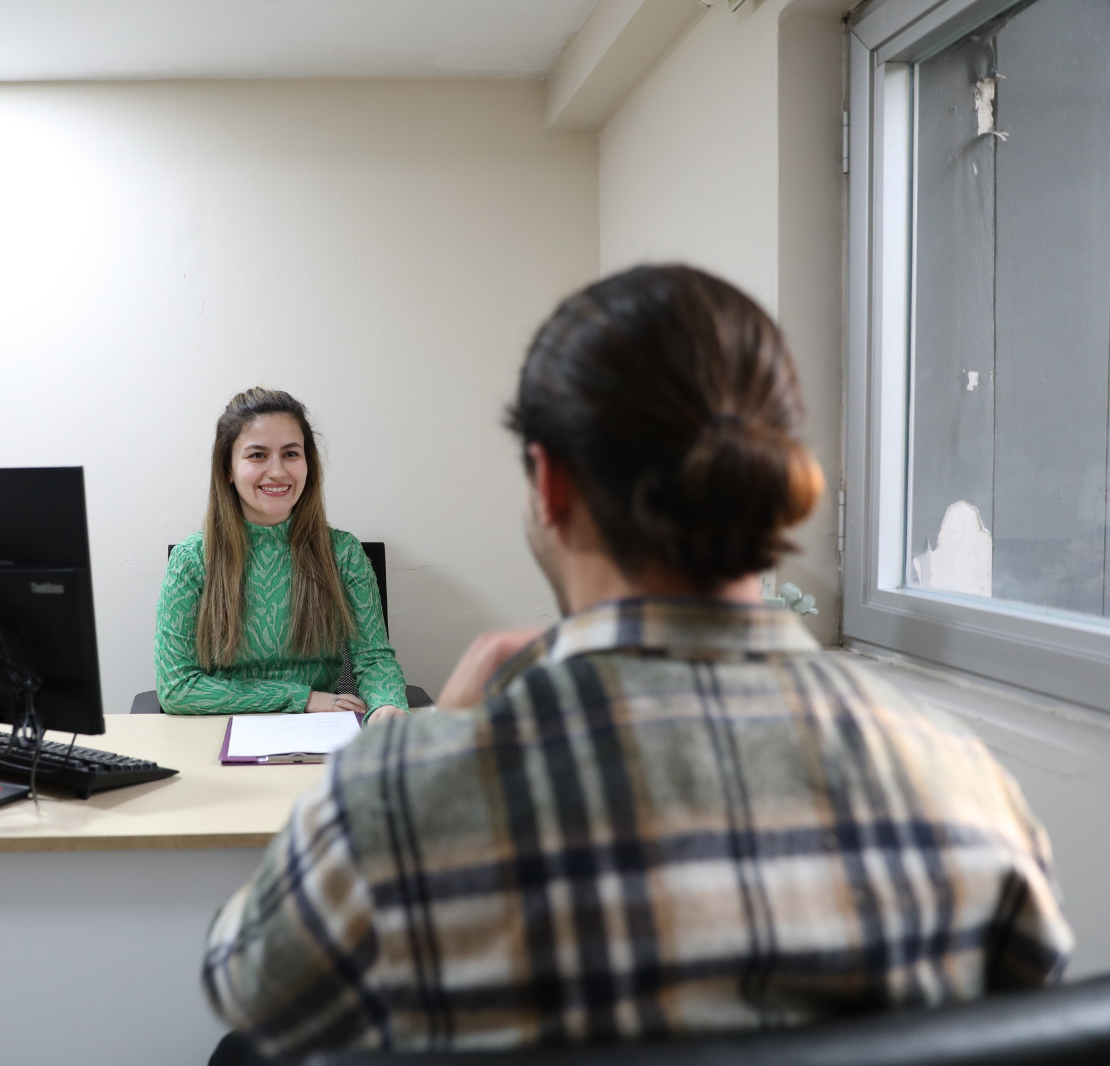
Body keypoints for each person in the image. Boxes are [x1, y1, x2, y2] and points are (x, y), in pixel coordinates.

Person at [200, 266, 1072, 1060]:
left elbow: (250, 983)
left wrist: (433, 749)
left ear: (550, 485)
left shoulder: (403, 798)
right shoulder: (967, 785)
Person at [155, 387, 408, 721]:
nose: (277, 471)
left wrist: (387, 704)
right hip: (217, 732)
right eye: (258, 455)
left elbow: (374, 659)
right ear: (228, 468)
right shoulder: (192, 560)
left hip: (319, 731)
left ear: (307, 464)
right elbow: (176, 688)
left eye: (290, 454)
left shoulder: (343, 554)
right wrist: (299, 698)